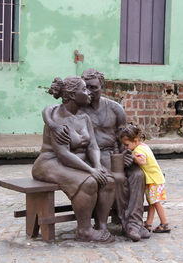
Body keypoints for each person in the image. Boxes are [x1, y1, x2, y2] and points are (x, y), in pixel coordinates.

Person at [42, 69, 150, 241]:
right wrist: (51, 122)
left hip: (112, 153)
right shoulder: (78, 106)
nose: (89, 92)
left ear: (102, 86)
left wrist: (126, 153)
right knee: (117, 178)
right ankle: (123, 222)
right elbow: (52, 109)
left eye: (93, 88)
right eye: (86, 88)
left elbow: (125, 136)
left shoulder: (115, 109)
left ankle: (135, 223)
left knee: (138, 174)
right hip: (91, 157)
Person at [32, 76, 116, 242]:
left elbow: (92, 145)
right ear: (71, 95)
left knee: (108, 179)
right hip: (50, 162)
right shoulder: (56, 118)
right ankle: (84, 230)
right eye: (84, 89)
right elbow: (63, 155)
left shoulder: (84, 118)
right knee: (89, 182)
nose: (88, 93)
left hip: (74, 162)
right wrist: (90, 170)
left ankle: (102, 225)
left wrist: (98, 165)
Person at [119, 124, 171, 233]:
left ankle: (165, 223)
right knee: (152, 202)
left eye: (127, 145)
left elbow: (143, 161)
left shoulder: (138, 151)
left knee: (156, 202)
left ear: (136, 140)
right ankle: (148, 223)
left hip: (153, 180)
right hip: (155, 179)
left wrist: (132, 156)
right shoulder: (143, 145)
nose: (125, 147)